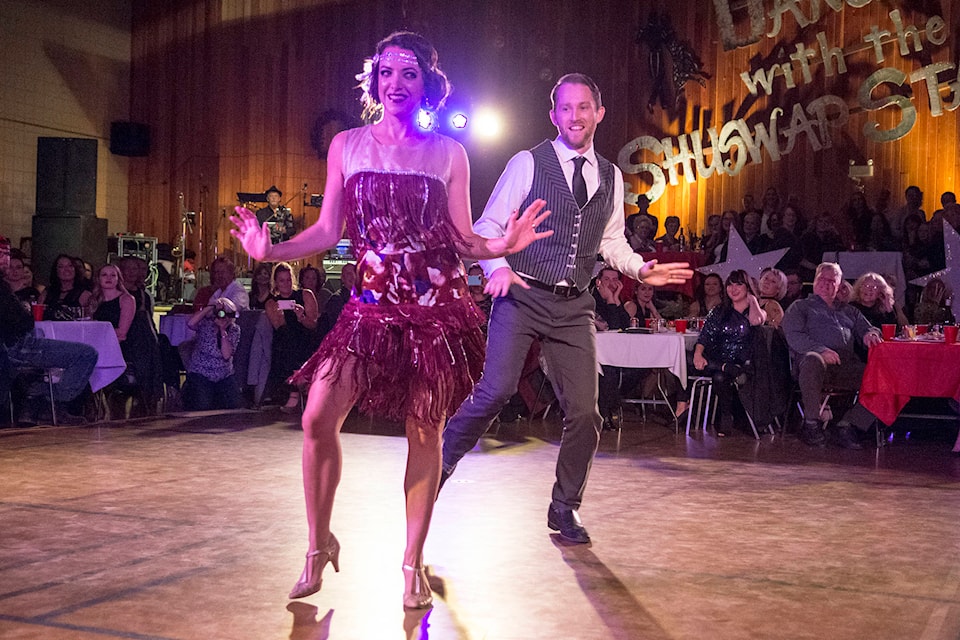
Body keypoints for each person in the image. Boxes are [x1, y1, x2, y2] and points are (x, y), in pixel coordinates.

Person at [229, 31, 552, 608]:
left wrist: (503, 242)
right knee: (316, 418)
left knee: (424, 430)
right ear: (374, 82)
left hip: (435, 310)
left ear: (426, 84)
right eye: (386, 73)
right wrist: (270, 250)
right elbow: (329, 231)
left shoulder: (448, 154)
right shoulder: (347, 146)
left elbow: (460, 237)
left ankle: (411, 563)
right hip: (371, 307)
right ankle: (317, 542)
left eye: (408, 73)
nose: (396, 83)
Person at [439, 72, 692, 545]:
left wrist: (640, 271)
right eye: (565, 108)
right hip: (523, 293)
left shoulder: (612, 177)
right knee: (496, 391)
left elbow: (611, 240)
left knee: (586, 413)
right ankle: (443, 460)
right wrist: (496, 265)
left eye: (583, 107)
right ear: (553, 115)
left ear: (599, 112)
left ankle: (564, 507)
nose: (574, 116)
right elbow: (490, 223)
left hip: (574, 304)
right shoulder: (527, 162)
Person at [782, 262, 883, 449]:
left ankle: (849, 425)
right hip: (813, 367)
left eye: (832, 280)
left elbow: (869, 328)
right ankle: (811, 423)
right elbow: (794, 336)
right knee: (813, 359)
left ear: (839, 285)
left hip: (845, 366)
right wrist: (821, 350)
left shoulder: (849, 310)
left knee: (885, 375)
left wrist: (872, 333)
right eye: (822, 279)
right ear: (814, 281)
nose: (826, 283)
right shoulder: (801, 307)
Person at [0, 263, 97, 425]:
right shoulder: (3, 289)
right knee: (86, 354)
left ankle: (38, 399)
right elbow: (24, 322)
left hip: (10, 348)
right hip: (16, 348)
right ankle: (46, 398)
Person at [691, 269, 766, 436]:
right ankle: (721, 367)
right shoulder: (720, 311)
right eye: (730, 284)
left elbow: (757, 321)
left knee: (719, 376)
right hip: (718, 359)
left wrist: (753, 301)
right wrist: (698, 354)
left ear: (747, 287)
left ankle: (726, 414)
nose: (733, 288)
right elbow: (705, 336)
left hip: (742, 363)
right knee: (689, 358)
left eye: (739, 284)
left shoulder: (755, 311)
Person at [90, 264, 162, 417]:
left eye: (113, 275)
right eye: (104, 275)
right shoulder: (94, 301)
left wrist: (99, 333)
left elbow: (122, 332)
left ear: (118, 279)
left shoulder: (127, 299)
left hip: (123, 349)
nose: (109, 278)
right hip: (101, 346)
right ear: (98, 278)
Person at [593, 267, 644, 431]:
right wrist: (610, 299)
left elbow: (623, 325)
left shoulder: (615, 299)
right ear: (598, 282)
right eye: (607, 279)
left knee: (631, 369)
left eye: (615, 280)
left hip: (612, 354)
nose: (611, 283)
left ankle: (607, 410)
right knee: (608, 370)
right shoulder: (590, 300)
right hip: (588, 354)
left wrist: (614, 299)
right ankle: (605, 414)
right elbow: (610, 326)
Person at [265, 262, 319, 412]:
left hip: (305, 337)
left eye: (288, 280)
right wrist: (280, 315)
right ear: (276, 282)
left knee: (296, 345)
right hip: (285, 341)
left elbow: (313, 325)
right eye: (281, 281)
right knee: (287, 344)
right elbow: (279, 328)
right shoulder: (271, 303)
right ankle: (295, 390)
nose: (286, 284)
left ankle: (298, 391)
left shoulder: (305, 295)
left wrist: (301, 316)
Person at [182, 297, 242, 411]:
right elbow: (190, 323)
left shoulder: (235, 330)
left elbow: (226, 355)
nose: (225, 318)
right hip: (201, 372)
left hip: (224, 374)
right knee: (203, 406)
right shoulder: (205, 324)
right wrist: (211, 306)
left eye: (229, 315)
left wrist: (222, 330)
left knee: (234, 405)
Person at [39, 254, 92, 320]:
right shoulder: (47, 293)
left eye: (70, 266)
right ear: (56, 271)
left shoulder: (85, 294)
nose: (67, 269)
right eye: (61, 267)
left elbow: (89, 320)